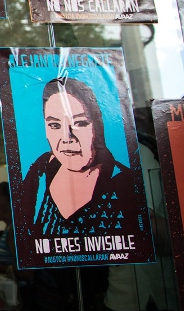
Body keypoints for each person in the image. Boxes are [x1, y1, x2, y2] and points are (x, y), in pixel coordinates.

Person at [18, 76, 136, 237]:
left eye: (79, 123)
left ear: (98, 125)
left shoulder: (125, 183)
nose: (67, 138)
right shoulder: (39, 171)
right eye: (54, 125)